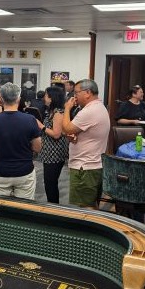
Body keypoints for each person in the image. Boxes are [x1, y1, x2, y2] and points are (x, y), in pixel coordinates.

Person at [0, 82, 42, 200]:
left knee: (1, 207)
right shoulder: (30, 119)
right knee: (24, 206)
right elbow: (37, 148)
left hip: (0, 171)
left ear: (1, 99)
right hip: (24, 171)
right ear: (18, 99)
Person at [62, 79, 110, 209]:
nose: (74, 96)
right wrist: (74, 135)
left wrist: (67, 108)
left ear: (88, 93)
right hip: (91, 164)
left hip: (85, 166)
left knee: (87, 208)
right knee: (90, 204)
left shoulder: (89, 111)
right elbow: (84, 132)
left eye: (76, 92)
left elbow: (66, 128)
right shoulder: (98, 107)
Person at [36, 86, 68, 203]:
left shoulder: (58, 113)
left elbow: (56, 134)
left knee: (50, 183)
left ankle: (53, 207)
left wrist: (41, 126)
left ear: (52, 97)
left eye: (46, 95)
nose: (44, 98)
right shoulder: (51, 111)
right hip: (50, 152)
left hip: (55, 153)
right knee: (49, 182)